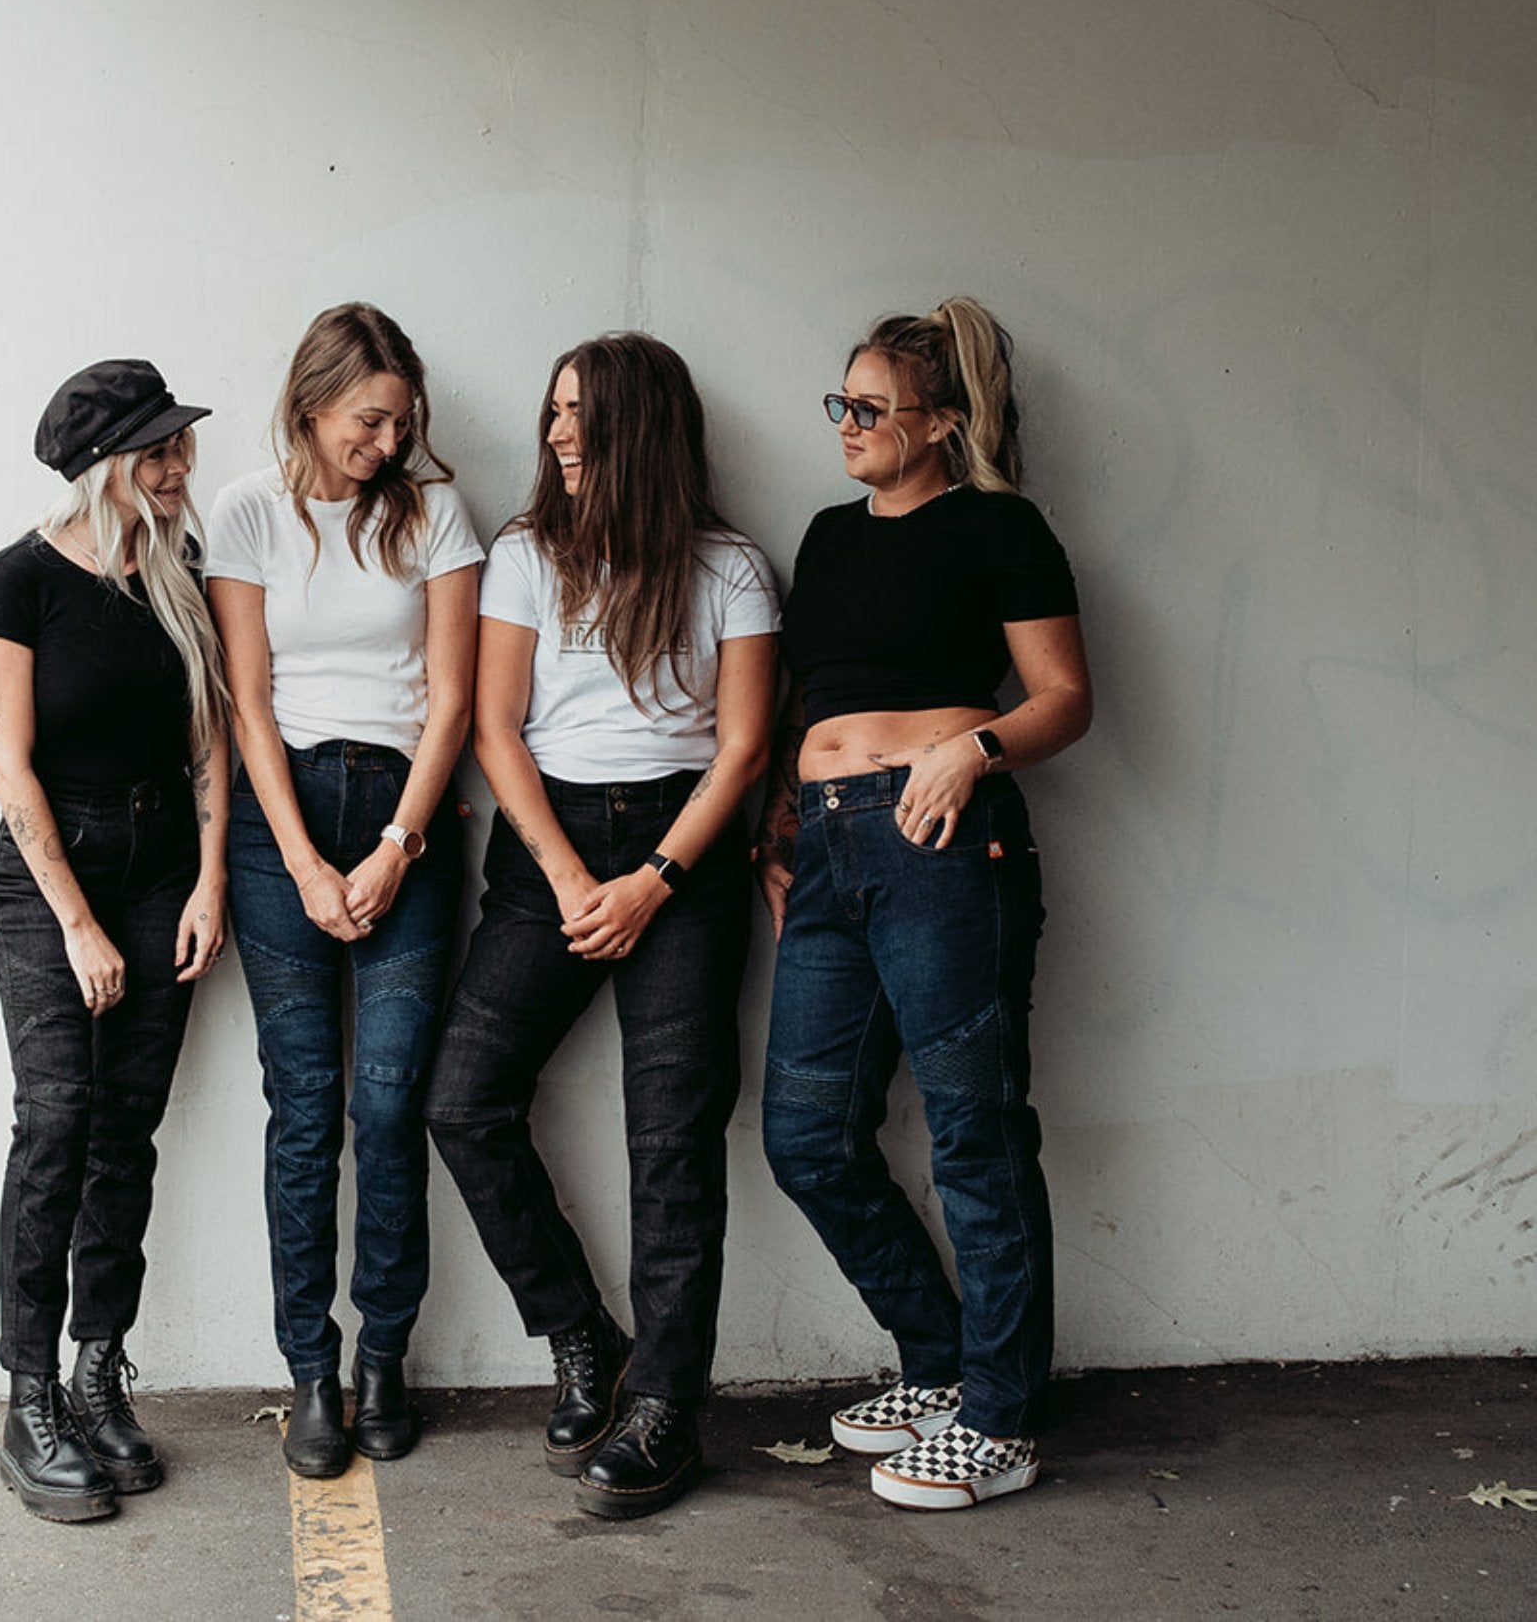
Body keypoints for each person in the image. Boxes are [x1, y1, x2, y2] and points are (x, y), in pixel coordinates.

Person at [426, 333, 779, 1520]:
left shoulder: (731, 567)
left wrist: (654, 880)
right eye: (554, 410)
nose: (559, 433)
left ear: (642, 425)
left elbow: (743, 746)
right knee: (462, 1097)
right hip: (551, 848)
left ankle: (668, 1405)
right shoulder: (527, 553)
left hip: (687, 849)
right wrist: (575, 874)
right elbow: (495, 727)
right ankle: (583, 1333)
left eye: (581, 413)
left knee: (672, 1137)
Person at [756, 297, 1092, 1512]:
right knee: (806, 1135)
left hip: (943, 838)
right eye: (838, 402)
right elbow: (810, 699)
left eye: (870, 406)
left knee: (976, 1133)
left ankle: (1001, 1419)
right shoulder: (827, 535)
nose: (845, 424)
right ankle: (942, 1358)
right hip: (828, 849)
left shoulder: (1000, 526)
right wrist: (781, 832)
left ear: (943, 421)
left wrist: (974, 750)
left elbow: (1064, 695)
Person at [207, 303, 482, 1477]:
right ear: (313, 402)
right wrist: (307, 860)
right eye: (370, 419)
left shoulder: (435, 512)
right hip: (284, 825)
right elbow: (247, 704)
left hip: (406, 813)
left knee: (388, 1104)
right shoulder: (245, 511)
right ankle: (310, 1369)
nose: (388, 441)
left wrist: (396, 845)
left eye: (401, 422)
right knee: (307, 1107)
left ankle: (384, 1356)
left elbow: (455, 699)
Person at [0, 359, 232, 1523]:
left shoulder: (179, 570)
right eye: (158, 450)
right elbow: (7, 761)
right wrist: (78, 922)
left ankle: (97, 1373)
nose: (179, 467)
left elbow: (209, 737)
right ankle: (28, 1400)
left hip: (164, 867)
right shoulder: (19, 578)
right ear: (104, 465)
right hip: (50, 879)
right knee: (57, 1124)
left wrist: (209, 880)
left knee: (125, 1129)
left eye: (181, 446)